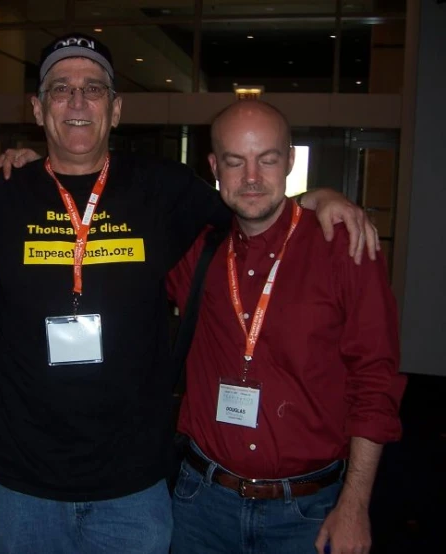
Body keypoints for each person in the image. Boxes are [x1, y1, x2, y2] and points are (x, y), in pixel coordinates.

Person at [0, 36, 378, 554]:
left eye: (94, 89)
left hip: (135, 487)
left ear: (116, 109)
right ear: (39, 107)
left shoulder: (166, 190)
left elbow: (255, 198)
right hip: (20, 487)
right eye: (61, 89)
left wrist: (320, 198)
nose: (77, 102)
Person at [167, 100, 406, 554]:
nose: (252, 177)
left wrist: (355, 505)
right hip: (201, 506)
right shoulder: (196, 252)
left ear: (291, 160)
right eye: (235, 162)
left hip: (307, 514)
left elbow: (376, 379)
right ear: (215, 166)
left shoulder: (344, 247)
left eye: (268, 159)